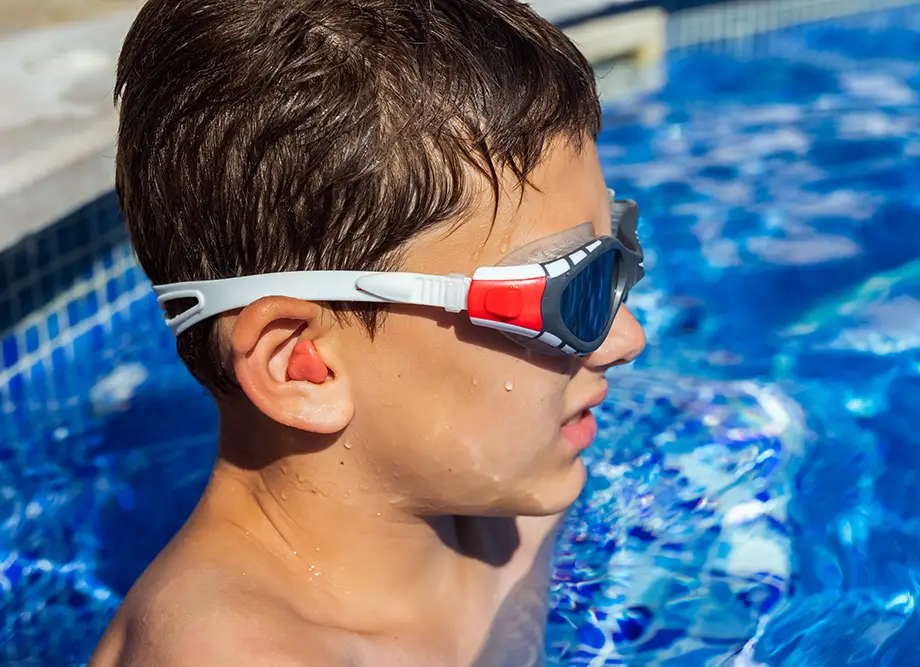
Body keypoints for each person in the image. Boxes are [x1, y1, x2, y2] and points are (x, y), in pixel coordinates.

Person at [90, 0, 646, 664]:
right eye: (571, 291)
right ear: (303, 364)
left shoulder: (503, 493)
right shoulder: (228, 653)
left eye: (620, 253)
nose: (626, 337)